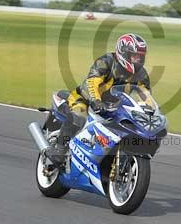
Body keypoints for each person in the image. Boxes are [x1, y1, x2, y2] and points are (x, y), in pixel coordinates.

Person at [43, 33, 150, 164]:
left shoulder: (141, 74)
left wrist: (150, 111)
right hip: (84, 98)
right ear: (123, 53)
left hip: (113, 107)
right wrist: (96, 101)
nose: (137, 60)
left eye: (140, 57)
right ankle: (59, 150)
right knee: (79, 114)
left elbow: (146, 95)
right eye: (134, 56)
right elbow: (92, 83)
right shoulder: (106, 62)